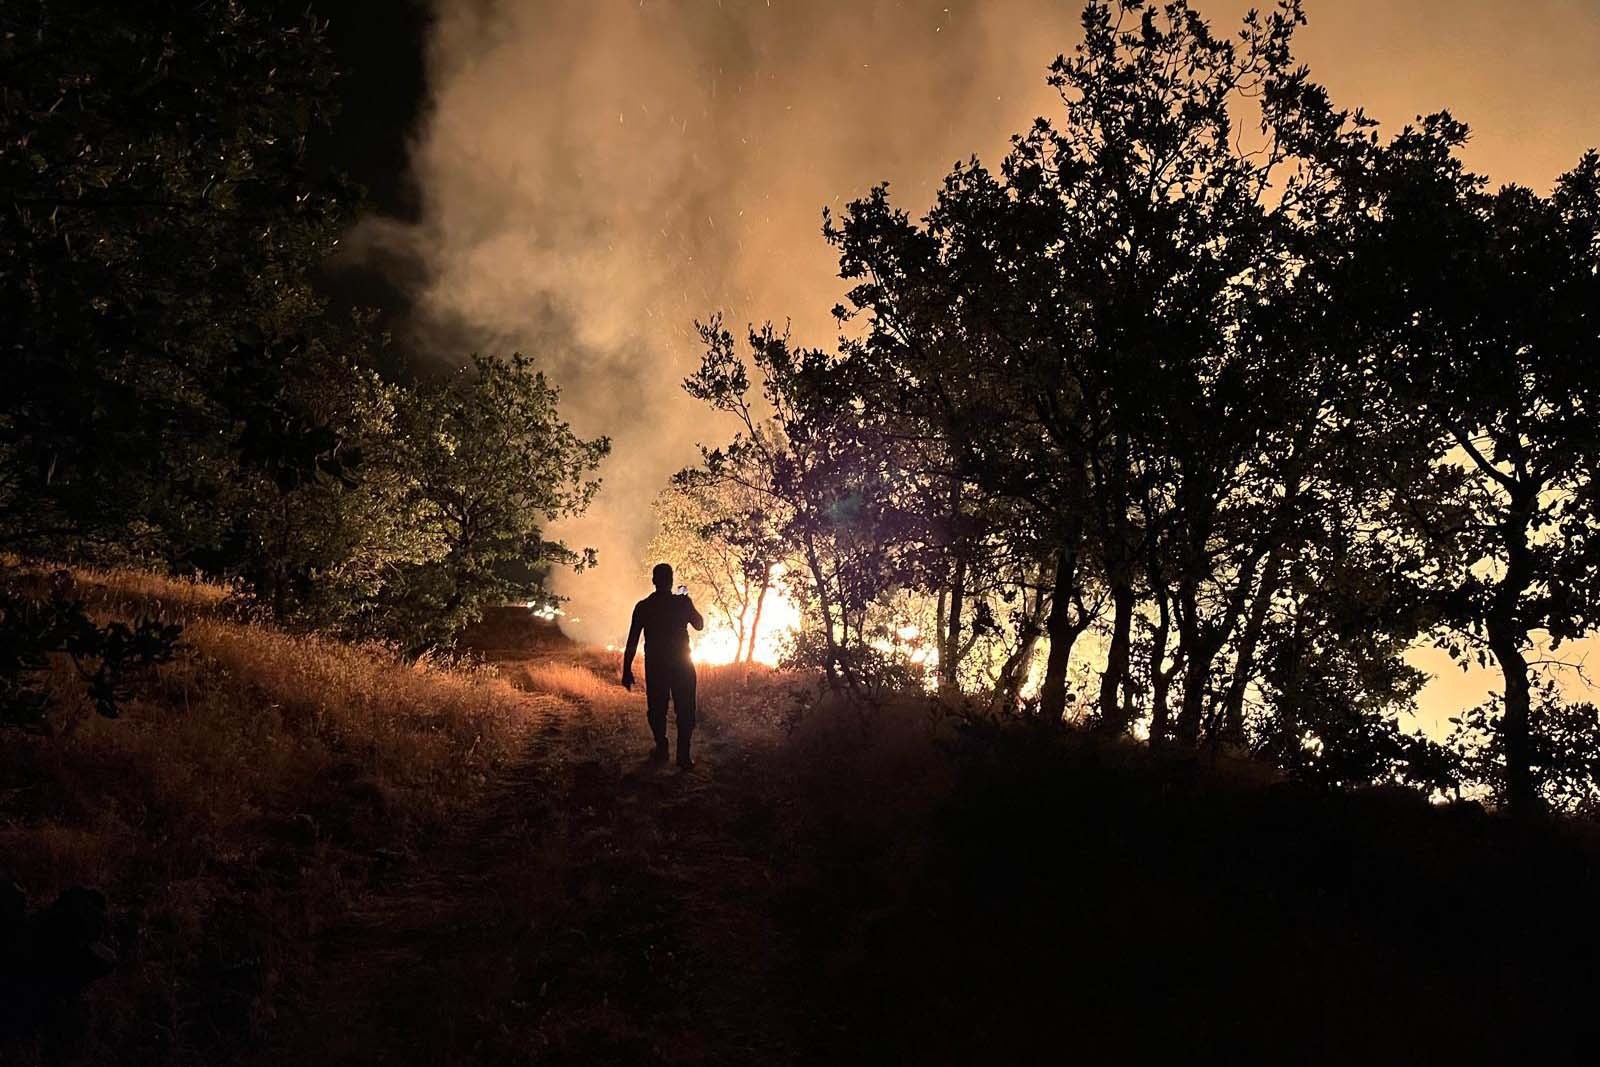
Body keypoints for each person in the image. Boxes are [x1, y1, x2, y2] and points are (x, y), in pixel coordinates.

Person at [621, 562, 704, 768]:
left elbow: (632, 641)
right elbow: (699, 625)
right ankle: (683, 756)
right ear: (671, 580)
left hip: (656, 666)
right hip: (682, 664)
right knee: (685, 710)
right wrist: (688, 601)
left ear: (654, 581)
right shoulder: (682, 603)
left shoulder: (643, 607)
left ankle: (662, 747)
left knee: (656, 710)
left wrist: (626, 669)